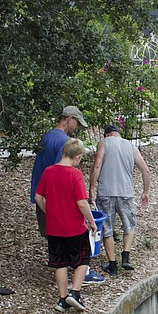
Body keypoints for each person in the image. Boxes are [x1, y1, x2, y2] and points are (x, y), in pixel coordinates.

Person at [29, 105, 105, 284]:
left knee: (55, 242)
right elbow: (62, 173)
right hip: (59, 201)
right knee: (75, 240)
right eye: (77, 123)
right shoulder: (64, 142)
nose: (76, 127)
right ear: (68, 119)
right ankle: (82, 274)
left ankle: (63, 275)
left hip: (44, 196)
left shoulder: (48, 136)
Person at [35, 138, 98, 312]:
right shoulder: (75, 174)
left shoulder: (48, 172)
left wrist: (49, 211)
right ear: (77, 156)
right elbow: (82, 203)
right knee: (83, 259)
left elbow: (38, 197)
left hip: (54, 228)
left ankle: (62, 299)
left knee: (60, 262)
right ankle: (75, 293)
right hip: (74, 228)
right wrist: (91, 222)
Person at [89, 124, 151, 275]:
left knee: (107, 228)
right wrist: (145, 192)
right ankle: (126, 256)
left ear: (107, 135)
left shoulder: (104, 143)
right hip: (126, 193)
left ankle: (112, 265)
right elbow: (145, 169)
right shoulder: (130, 146)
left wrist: (91, 189)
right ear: (118, 134)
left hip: (106, 193)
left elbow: (97, 166)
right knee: (129, 225)